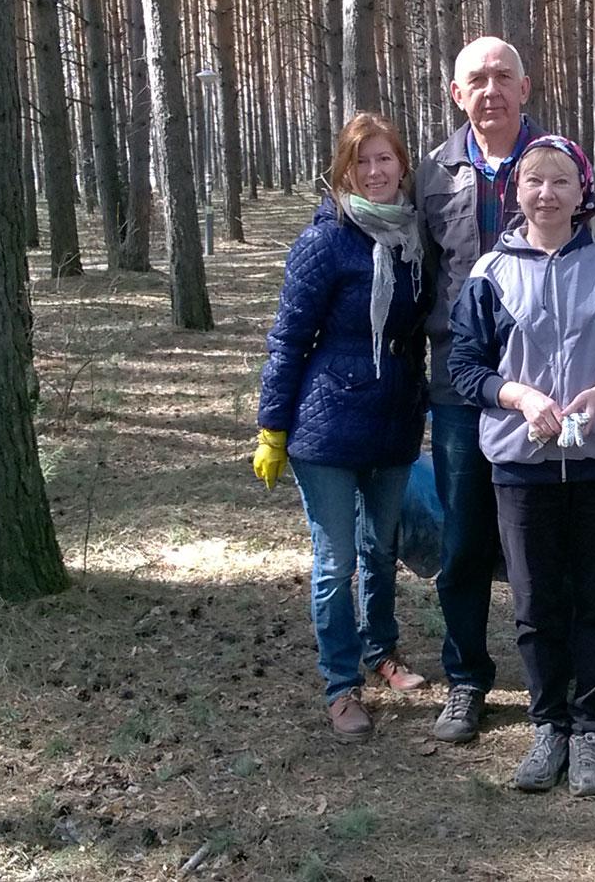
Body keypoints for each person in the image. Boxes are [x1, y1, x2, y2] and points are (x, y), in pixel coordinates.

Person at [449, 135, 595, 796]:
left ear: (583, 194)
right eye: (534, 181)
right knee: (536, 602)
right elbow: (465, 366)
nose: (547, 193)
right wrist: (518, 396)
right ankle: (548, 724)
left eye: (561, 182)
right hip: (522, 466)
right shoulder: (490, 272)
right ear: (515, 192)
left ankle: (590, 728)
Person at [253, 112, 432, 742]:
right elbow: (288, 339)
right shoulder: (324, 241)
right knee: (336, 561)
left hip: (393, 419)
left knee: (380, 549)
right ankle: (340, 685)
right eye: (362, 161)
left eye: (385, 159)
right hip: (326, 425)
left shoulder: (414, 237)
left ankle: (382, 651)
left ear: (403, 166)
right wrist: (272, 428)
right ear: (343, 170)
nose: (375, 171)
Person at [416, 36, 547, 743]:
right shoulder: (433, 174)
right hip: (459, 387)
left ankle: (551, 674)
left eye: (503, 76)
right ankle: (466, 679)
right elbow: (415, 276)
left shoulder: (555, 162)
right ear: (457, 94)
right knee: (463, 540)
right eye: (477, 79)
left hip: (542, 385)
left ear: (525, 87)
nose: (491, 89)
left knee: (540, 541)